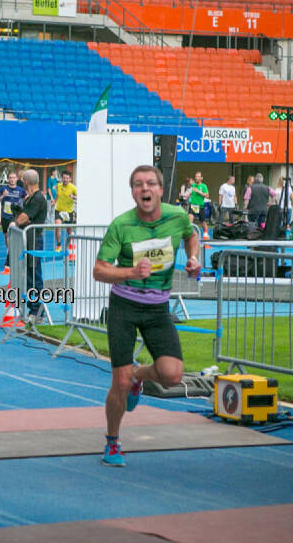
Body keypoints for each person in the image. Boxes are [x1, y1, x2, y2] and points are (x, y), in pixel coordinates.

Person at [93, 165, 201, 467]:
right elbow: (99, 270)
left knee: (172, 375)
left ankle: (141, 377)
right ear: (133, 192)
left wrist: (194, 258)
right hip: (124, 307)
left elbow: (192, 235)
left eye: (150, 184)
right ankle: (112, 441)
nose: (145, 189)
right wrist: (130, 271)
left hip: (158, 308)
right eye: (138, 185)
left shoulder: (177, 216)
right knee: (120, 381)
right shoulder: (122, 225)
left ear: (160, 190)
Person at [12, 169, 48, 321]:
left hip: (34, 239)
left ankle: (37, 311)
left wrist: (19, 218)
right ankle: (33, 309)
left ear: (25, 182)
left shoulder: (38, 198)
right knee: (29, 275)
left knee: (34, 275)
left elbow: (22, 219)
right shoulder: (30, 198)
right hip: (29, 238)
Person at [0, 170, 26, 266]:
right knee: (6, 237)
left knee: (9, 232)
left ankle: (10, 254)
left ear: (16, 179)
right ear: (8, 179)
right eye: (10, 178)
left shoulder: (21, 190)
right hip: (4, 216)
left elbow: (27, 199)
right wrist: (2, 196)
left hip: (14, 216)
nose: (12, 180)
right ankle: (9, 251)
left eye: (14, 178)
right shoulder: (3, 188)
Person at [53, 170, 77, 252]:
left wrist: (73, 197)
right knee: (57, 225)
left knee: (69, 231)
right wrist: (54, 202)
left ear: (70, 179)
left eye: (67, 178)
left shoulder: (73, 188)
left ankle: (71, 247)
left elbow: (79, 197)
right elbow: (58, 195)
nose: (65, 179)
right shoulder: (58, 186)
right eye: (64, 178)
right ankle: (59, 245)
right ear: (62, 178)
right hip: (59, 210)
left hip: (68, 212)